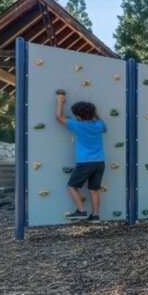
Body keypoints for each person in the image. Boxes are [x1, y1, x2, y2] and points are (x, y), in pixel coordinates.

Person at [55, 95, 107, 223]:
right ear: (92, 113)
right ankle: (95, 216)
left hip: (85, 163)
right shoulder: (98, 125)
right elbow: (105, 126)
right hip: (100, 162)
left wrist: (60, 102)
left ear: (78, 116)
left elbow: (59, 117)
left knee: (71, 186)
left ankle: (82, 211)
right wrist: (96, 111)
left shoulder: (77, 125)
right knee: (94, 189)